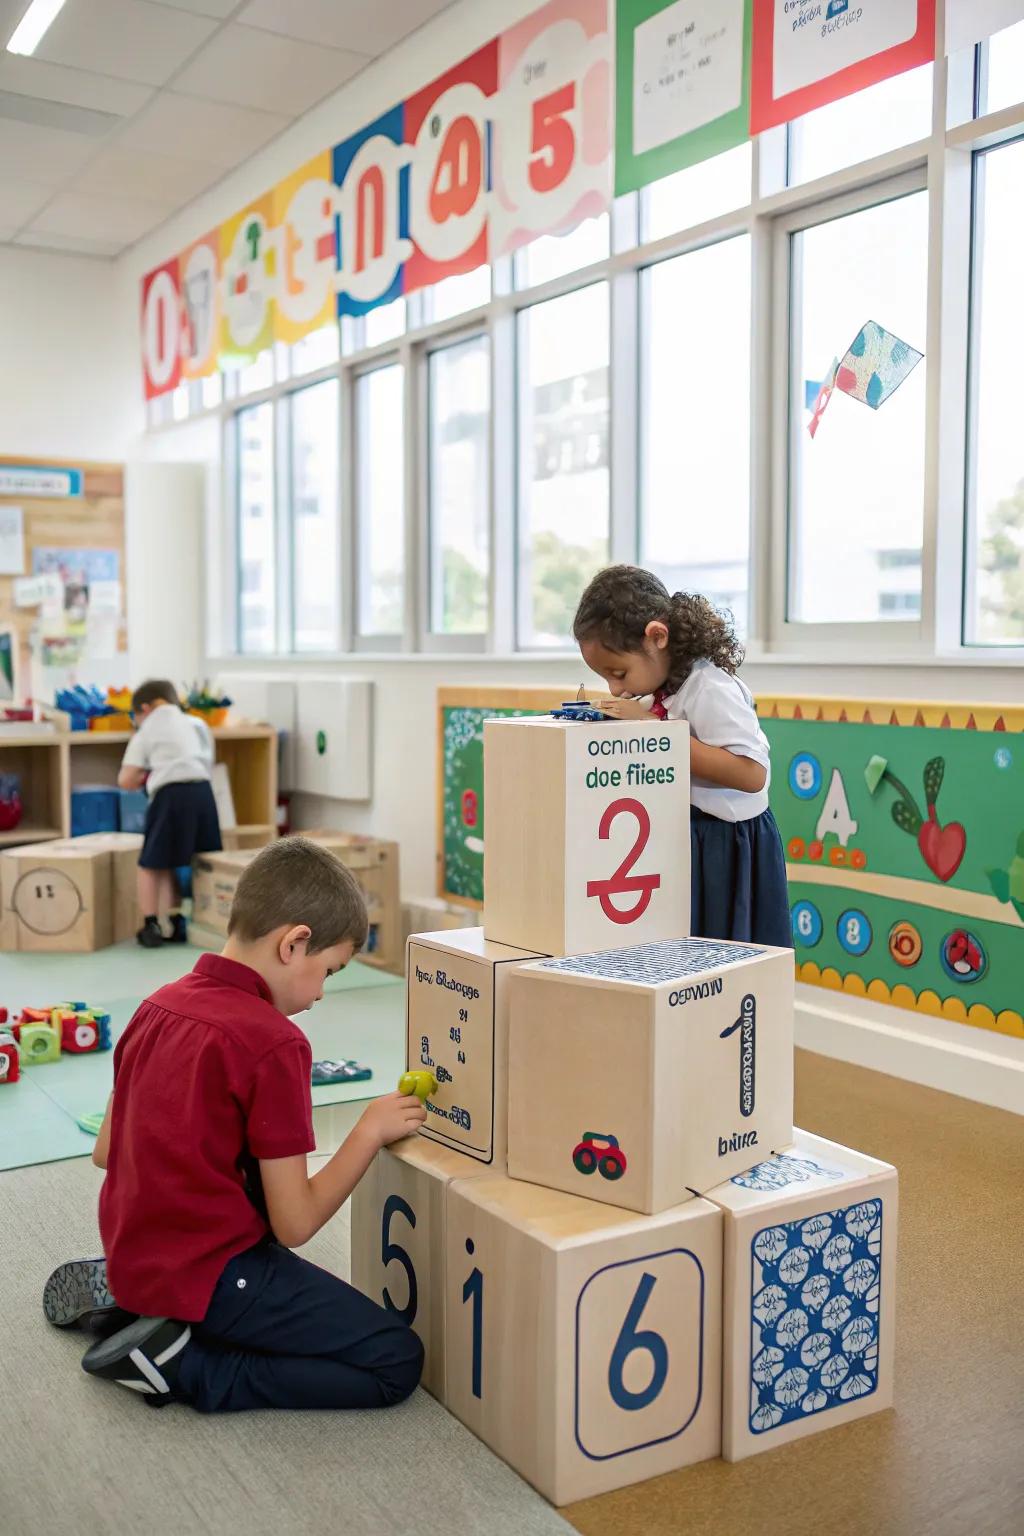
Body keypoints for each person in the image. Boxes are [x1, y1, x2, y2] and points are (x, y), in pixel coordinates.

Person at [43, 837, 426, 1412]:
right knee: (396, 1361)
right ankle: (186, 1365)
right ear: (294, 943)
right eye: (329, 971)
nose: (322, 993)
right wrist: (367, 1130)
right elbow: (294, 1223)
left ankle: (139, 1298)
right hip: (219, 1270)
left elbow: (105, 1153)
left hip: (134, 1244)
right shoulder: (275, 1043)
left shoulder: (155, 1006)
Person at [573, 565, 790, 948]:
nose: (616, 688)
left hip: (728, 843)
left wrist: (656, 733)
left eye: (619, 673)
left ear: (657, 637)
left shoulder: (708, 686)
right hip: (695, 835)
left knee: (722, 954)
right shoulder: (664, 685)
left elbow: (753, 773)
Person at [118, 679, 222, 947]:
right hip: (203, 793)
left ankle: (151, 924)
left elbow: (126, 780)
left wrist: (144, 773)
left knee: (150, 864)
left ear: (144, 707)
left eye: (135, 716)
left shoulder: (147, 730)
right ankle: (178, 922)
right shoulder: (196, 724)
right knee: (181, 860)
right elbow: (207, 760)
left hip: (170, 795)